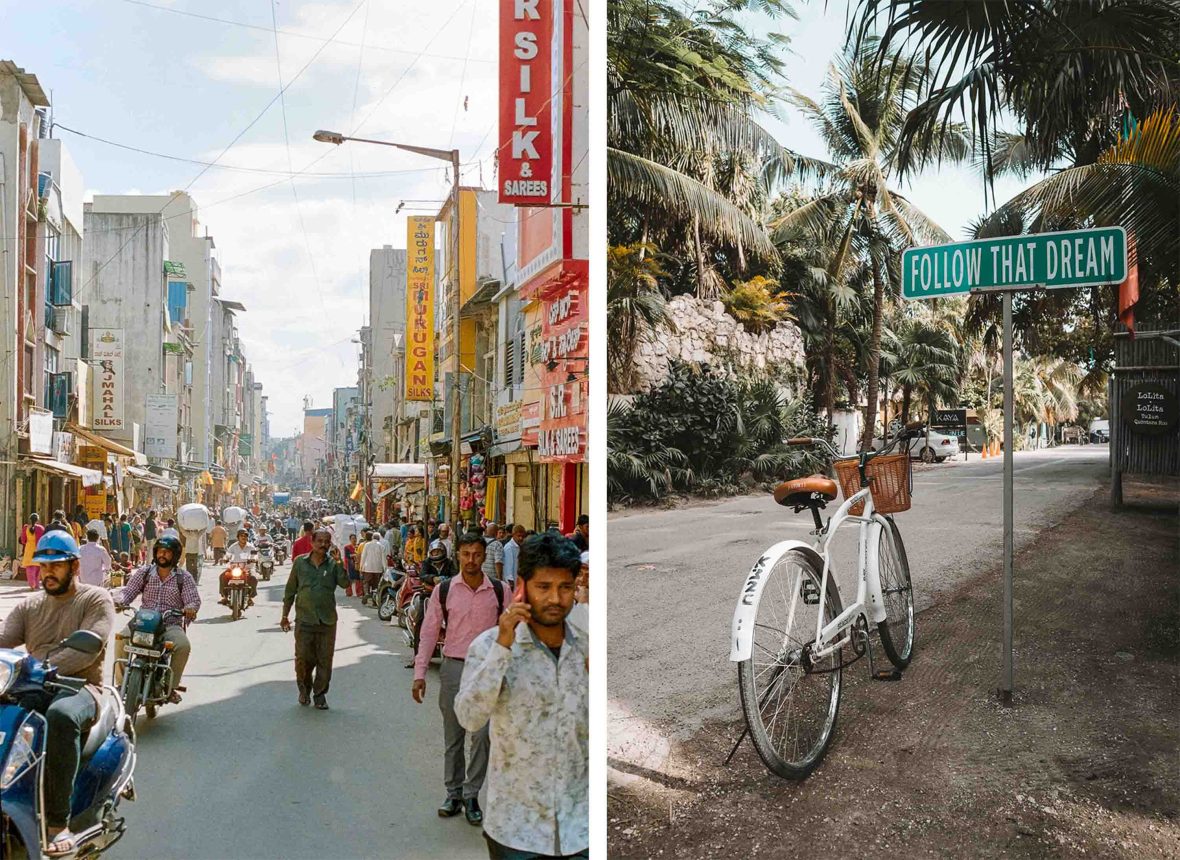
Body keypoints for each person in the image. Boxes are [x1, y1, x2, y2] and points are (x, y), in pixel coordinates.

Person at [455, 533, 588, 859]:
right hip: (517, 832)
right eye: (544, 587)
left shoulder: (586, 649)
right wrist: (503, 646)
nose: (555, 599)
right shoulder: (490, 647)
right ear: (523, 586)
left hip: (579, 828)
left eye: (565, 587)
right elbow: (470, 718)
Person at [0, 530, 116, 856]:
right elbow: (5, 638)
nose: (48, 572)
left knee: (60, 717)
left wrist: (44, 666)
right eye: (44, 565)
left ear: (75, 566)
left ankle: (57, 821)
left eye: (57, 565)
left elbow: (91, 644)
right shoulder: (30, 605)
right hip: (33, 685)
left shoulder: (95, 599)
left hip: (79, 687)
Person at [412, 532, 504, 827]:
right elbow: (428, 632)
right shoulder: (445, 590)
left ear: (484, 556)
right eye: (466, 554)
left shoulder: (501, 591)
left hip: (487, 673)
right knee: (454, 738)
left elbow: (514, 633)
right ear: (458, 556)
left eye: (477, 554)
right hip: (453, 669)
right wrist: (420, 673)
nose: (471, 560)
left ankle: (472, 794)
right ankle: (452, 794)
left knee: (482, 737)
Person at [112, 535, 200, 700]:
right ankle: (121, 683)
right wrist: (119, 601)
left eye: (167, 552)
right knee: (120, 638)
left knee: (183, 646)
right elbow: (128, 592)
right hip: (143, 621)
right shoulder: (144, 573)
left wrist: (190, 608)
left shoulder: (184, 577)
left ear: (174, 555)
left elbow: (193, 599)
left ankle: (169, 686)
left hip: (170, 624)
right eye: (160, 551)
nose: (162, 555)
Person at [279, 529, 348, 709]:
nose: (323, 545)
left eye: (327, 542)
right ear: (312, 542)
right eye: (320, 541)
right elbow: (290, 590)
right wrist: (285, 615)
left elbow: (345, 584)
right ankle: (304, 690)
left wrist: (340, 562)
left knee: (325, 660)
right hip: (304, 620)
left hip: (327, 621)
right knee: (303, 659)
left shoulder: (333, 564)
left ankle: (320, 695)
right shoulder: (300, 563)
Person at [219, 529, 259, 606]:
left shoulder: (251, 547)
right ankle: (225, 596)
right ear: (238, 537)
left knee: (254, 578)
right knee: (222, 576)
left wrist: (253, 559)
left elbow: (255, 555)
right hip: (234, 568)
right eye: (241, 536)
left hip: (247, 569)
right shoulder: (233, 546)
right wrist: (225, 559)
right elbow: (228, 555)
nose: (243, 537)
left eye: (245, 536)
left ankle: (250, 597)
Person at [358, 528, 387, 605]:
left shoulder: (367, 545)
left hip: (368, 568)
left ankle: (367, 593)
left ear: (372, 538)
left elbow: (363, 557)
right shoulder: (381, 546)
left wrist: (361, 567)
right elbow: (384, 559)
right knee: (376, 585)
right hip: (378, 569)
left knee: (366, 582)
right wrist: (385, 569)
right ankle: (374, 601)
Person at [19, 513, 46, 590]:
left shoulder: (26, 528)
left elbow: (23, 540)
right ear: (37, 520)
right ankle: (36, 584)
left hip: (28, 549)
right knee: (37, 568)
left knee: (30, 568)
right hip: (38, 549)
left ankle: (32, 584)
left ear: (30, 520)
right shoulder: (41, 528)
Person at [343, 533, 361, 598]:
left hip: (357, 564)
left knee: (358, 578)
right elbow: (347, 556)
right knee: (351, 578)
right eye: (352, 538)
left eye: (355, 538)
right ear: (350, 539)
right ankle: (351, 592)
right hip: (350, 564)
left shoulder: (358, 546)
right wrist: (354, 555)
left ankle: (359, 592)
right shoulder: (347, 547)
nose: (354, 540)